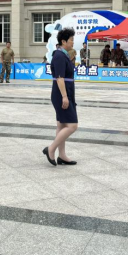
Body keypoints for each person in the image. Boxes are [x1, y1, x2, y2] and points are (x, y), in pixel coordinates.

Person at [43, 27, 78, 167]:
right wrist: (65, 96)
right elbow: (59, 78)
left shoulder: (64, 55)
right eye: (71, 40)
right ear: (63, 41)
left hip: (65, 92)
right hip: (61, 93)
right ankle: (51, 149)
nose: (73, 42)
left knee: (62, 124)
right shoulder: (59, 56)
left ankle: (62, 155)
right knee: (72, 125)